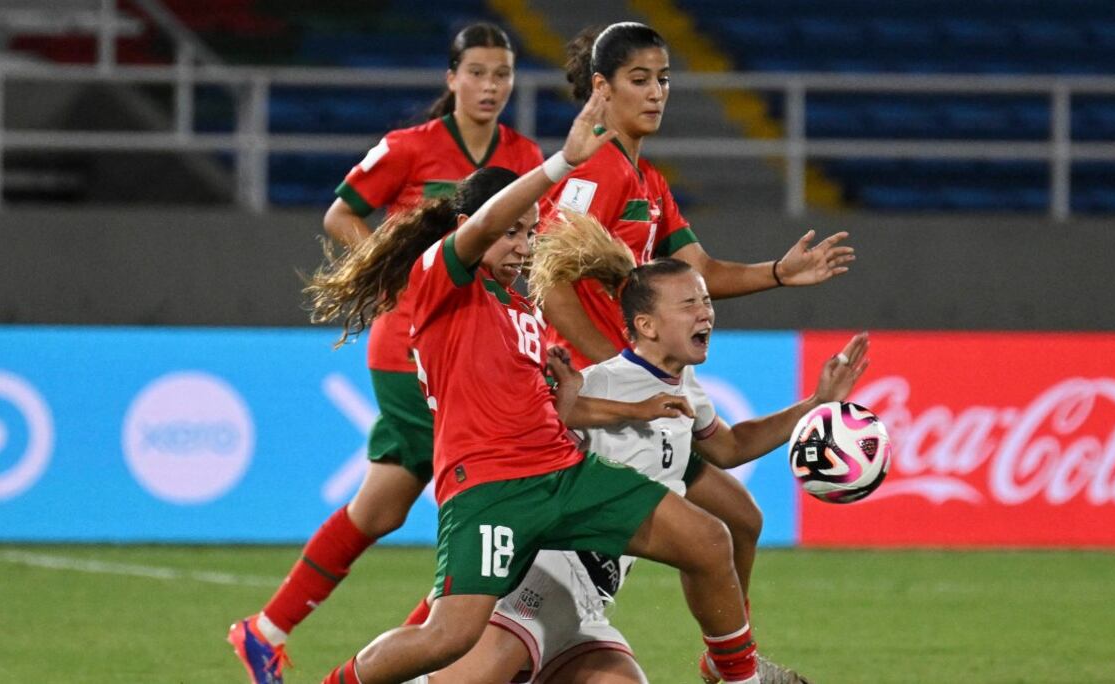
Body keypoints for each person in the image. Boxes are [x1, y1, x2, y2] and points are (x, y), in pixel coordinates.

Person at [318, 92, 766, 684]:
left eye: (530, 235)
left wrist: (632, 406)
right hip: (490, 488)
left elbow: (562, 409)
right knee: (447, 636)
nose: (523, 247)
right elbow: (483, 224)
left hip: (561, 475)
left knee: (708, 538)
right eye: (513, 234)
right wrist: (561, 163)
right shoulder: (437, 277)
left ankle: (740, 677)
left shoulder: (520, 309)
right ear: (469, 229)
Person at [415, 214, 869, 684]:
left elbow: (731, 447)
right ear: (647, 326)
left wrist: (816, 403)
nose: (706, 312)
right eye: (690, 303)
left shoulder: (683, 386)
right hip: (535, 589)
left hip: (586, 609)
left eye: (707, 301)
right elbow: (540, 438)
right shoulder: (604, 383)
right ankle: (738, 672)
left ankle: (732, 665)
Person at [538, 22, 858, 681]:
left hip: (634, 395)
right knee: (684, 539)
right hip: (587, 405)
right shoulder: (594, 167)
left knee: (738, 518)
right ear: (602, 89)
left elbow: (699, 270)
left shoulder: (647, 178)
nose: (656, 93)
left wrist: (778, 272)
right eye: (639, 80)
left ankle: (725, 663)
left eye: (663, 80)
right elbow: (548, 285)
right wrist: (619, 377)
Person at [227, 23, 546, 684]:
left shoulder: (525, 157)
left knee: (381, 509)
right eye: (478, 72)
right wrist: (396, 276)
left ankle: (266, 630)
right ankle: (421, 663)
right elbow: (341, 213)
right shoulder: (410, 149)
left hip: (481, 350)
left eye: (502, 75)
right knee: (499, 505)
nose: (490, 86)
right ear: (451, 78)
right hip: (414, 351)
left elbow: (533, 246)